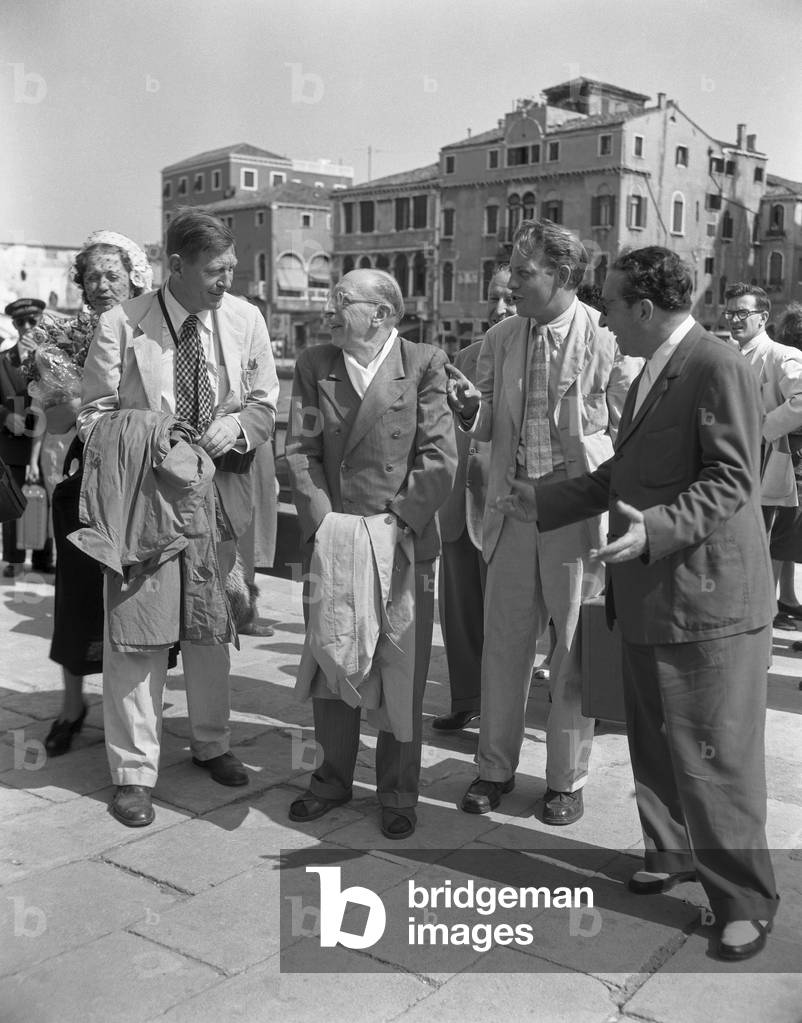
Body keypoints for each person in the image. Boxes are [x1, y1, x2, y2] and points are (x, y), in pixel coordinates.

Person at [497, 246, 779, 961]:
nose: (606, 319)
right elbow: (625, 473)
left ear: (645, 309)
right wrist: (547, 499)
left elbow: (732, 479)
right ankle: (673, 850)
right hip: (653, 593)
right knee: (655, 739)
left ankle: (745, 898)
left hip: (708, 601)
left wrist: (651, 530)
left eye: (613, 305)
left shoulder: (718, 366)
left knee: (717, 755)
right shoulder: (651, 368)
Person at [77, 208, 279, 827]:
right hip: (146, 502)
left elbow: (268, 404)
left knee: (211, 626)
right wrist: (151, 437)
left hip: (219, 497)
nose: (226, 280)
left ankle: (212, 743)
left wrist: (238, 425)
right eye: (215, 270)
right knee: (137, 634)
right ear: (178, 266)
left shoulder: (246, 320)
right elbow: (92, 415)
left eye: (231, 270)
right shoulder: (123, 323)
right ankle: (134, 774)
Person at [445, 218, 639, 825]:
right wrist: (472, 413)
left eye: (524, 273)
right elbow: (486, 421)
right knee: (503, 646)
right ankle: (493, 769)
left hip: (576, 514)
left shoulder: (606, 338)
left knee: (573, 649)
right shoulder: (503, 337)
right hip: (511, 511)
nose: (511, 283)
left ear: (562, 275)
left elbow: (628, 430)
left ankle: (565, 779)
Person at [285, 268, 457, 840]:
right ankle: (331, 779)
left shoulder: (425, 362)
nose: (328, 310)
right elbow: (300, 450)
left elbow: (439, 457)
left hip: (401, 541)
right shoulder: (315, 364)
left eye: (341, 302)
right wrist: (324, 523)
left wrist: (397, 523)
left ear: (381, 313)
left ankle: (400, 790)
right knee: (335, 656)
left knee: (400, 666)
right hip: (335, 539)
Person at [44, 231, 154, 756]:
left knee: (140, 596)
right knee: (78, 596)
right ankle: (72, 704)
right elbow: (57, 418)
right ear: (82, 286)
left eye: (114, 274)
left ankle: (133, 709)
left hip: (143, 481)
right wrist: (65, 388)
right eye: (93, 276)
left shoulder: (157, 329)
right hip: (83, 479)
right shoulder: (61, 338)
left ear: (134, 277)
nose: (104, 284)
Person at [433, 266, 514, 731]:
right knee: (459, 615)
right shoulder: (464, 355)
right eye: (493, 298)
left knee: (504, 621)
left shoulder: (533, 356)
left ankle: (503, 715)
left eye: (509, 298)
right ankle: (466, 700)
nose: (498, 308)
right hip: (457, 505)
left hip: (503, 506)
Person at [725, 283, 802, 630]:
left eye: (743, 312)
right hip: (727, 466)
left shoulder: (782, 355)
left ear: (763, 317)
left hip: (765, 464)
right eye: (730, 312)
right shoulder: (725, 354)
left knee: (763, 546)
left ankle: (762, 622)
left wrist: (763, 431)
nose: (735, 319)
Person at [1, 298, 52, 577]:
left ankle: (45, 557)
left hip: (46, 442)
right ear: (14, 325)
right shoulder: (2, 360)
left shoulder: (54, 357)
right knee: (13, 501)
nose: (28, 327)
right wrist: (5, 416)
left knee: (46, 499)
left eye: (33, 320)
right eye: (21, 322)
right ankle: (14, 559)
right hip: (12, 441)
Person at [767, 303, 802, 614]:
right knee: (785, 534)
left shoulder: (783, 358)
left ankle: (786, 599)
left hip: (790, 454)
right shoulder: (791, 362)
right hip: (792, 456)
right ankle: (778, 605)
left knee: (786, 535)